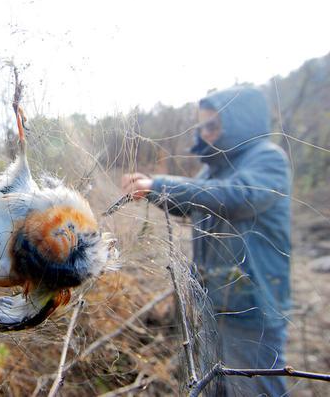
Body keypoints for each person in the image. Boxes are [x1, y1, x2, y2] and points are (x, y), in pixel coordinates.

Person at [122, 86, 291, 396]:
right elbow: (189, 202)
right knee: (215, 385)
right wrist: (152, 189)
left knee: (252, 388)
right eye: (203, 127)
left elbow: (238, 195)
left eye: (214, 125)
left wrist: (160, 184)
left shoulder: (268, 159)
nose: (207, 134)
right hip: (213, 302)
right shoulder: (211, 168)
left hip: (252, 307)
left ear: (240, 122)